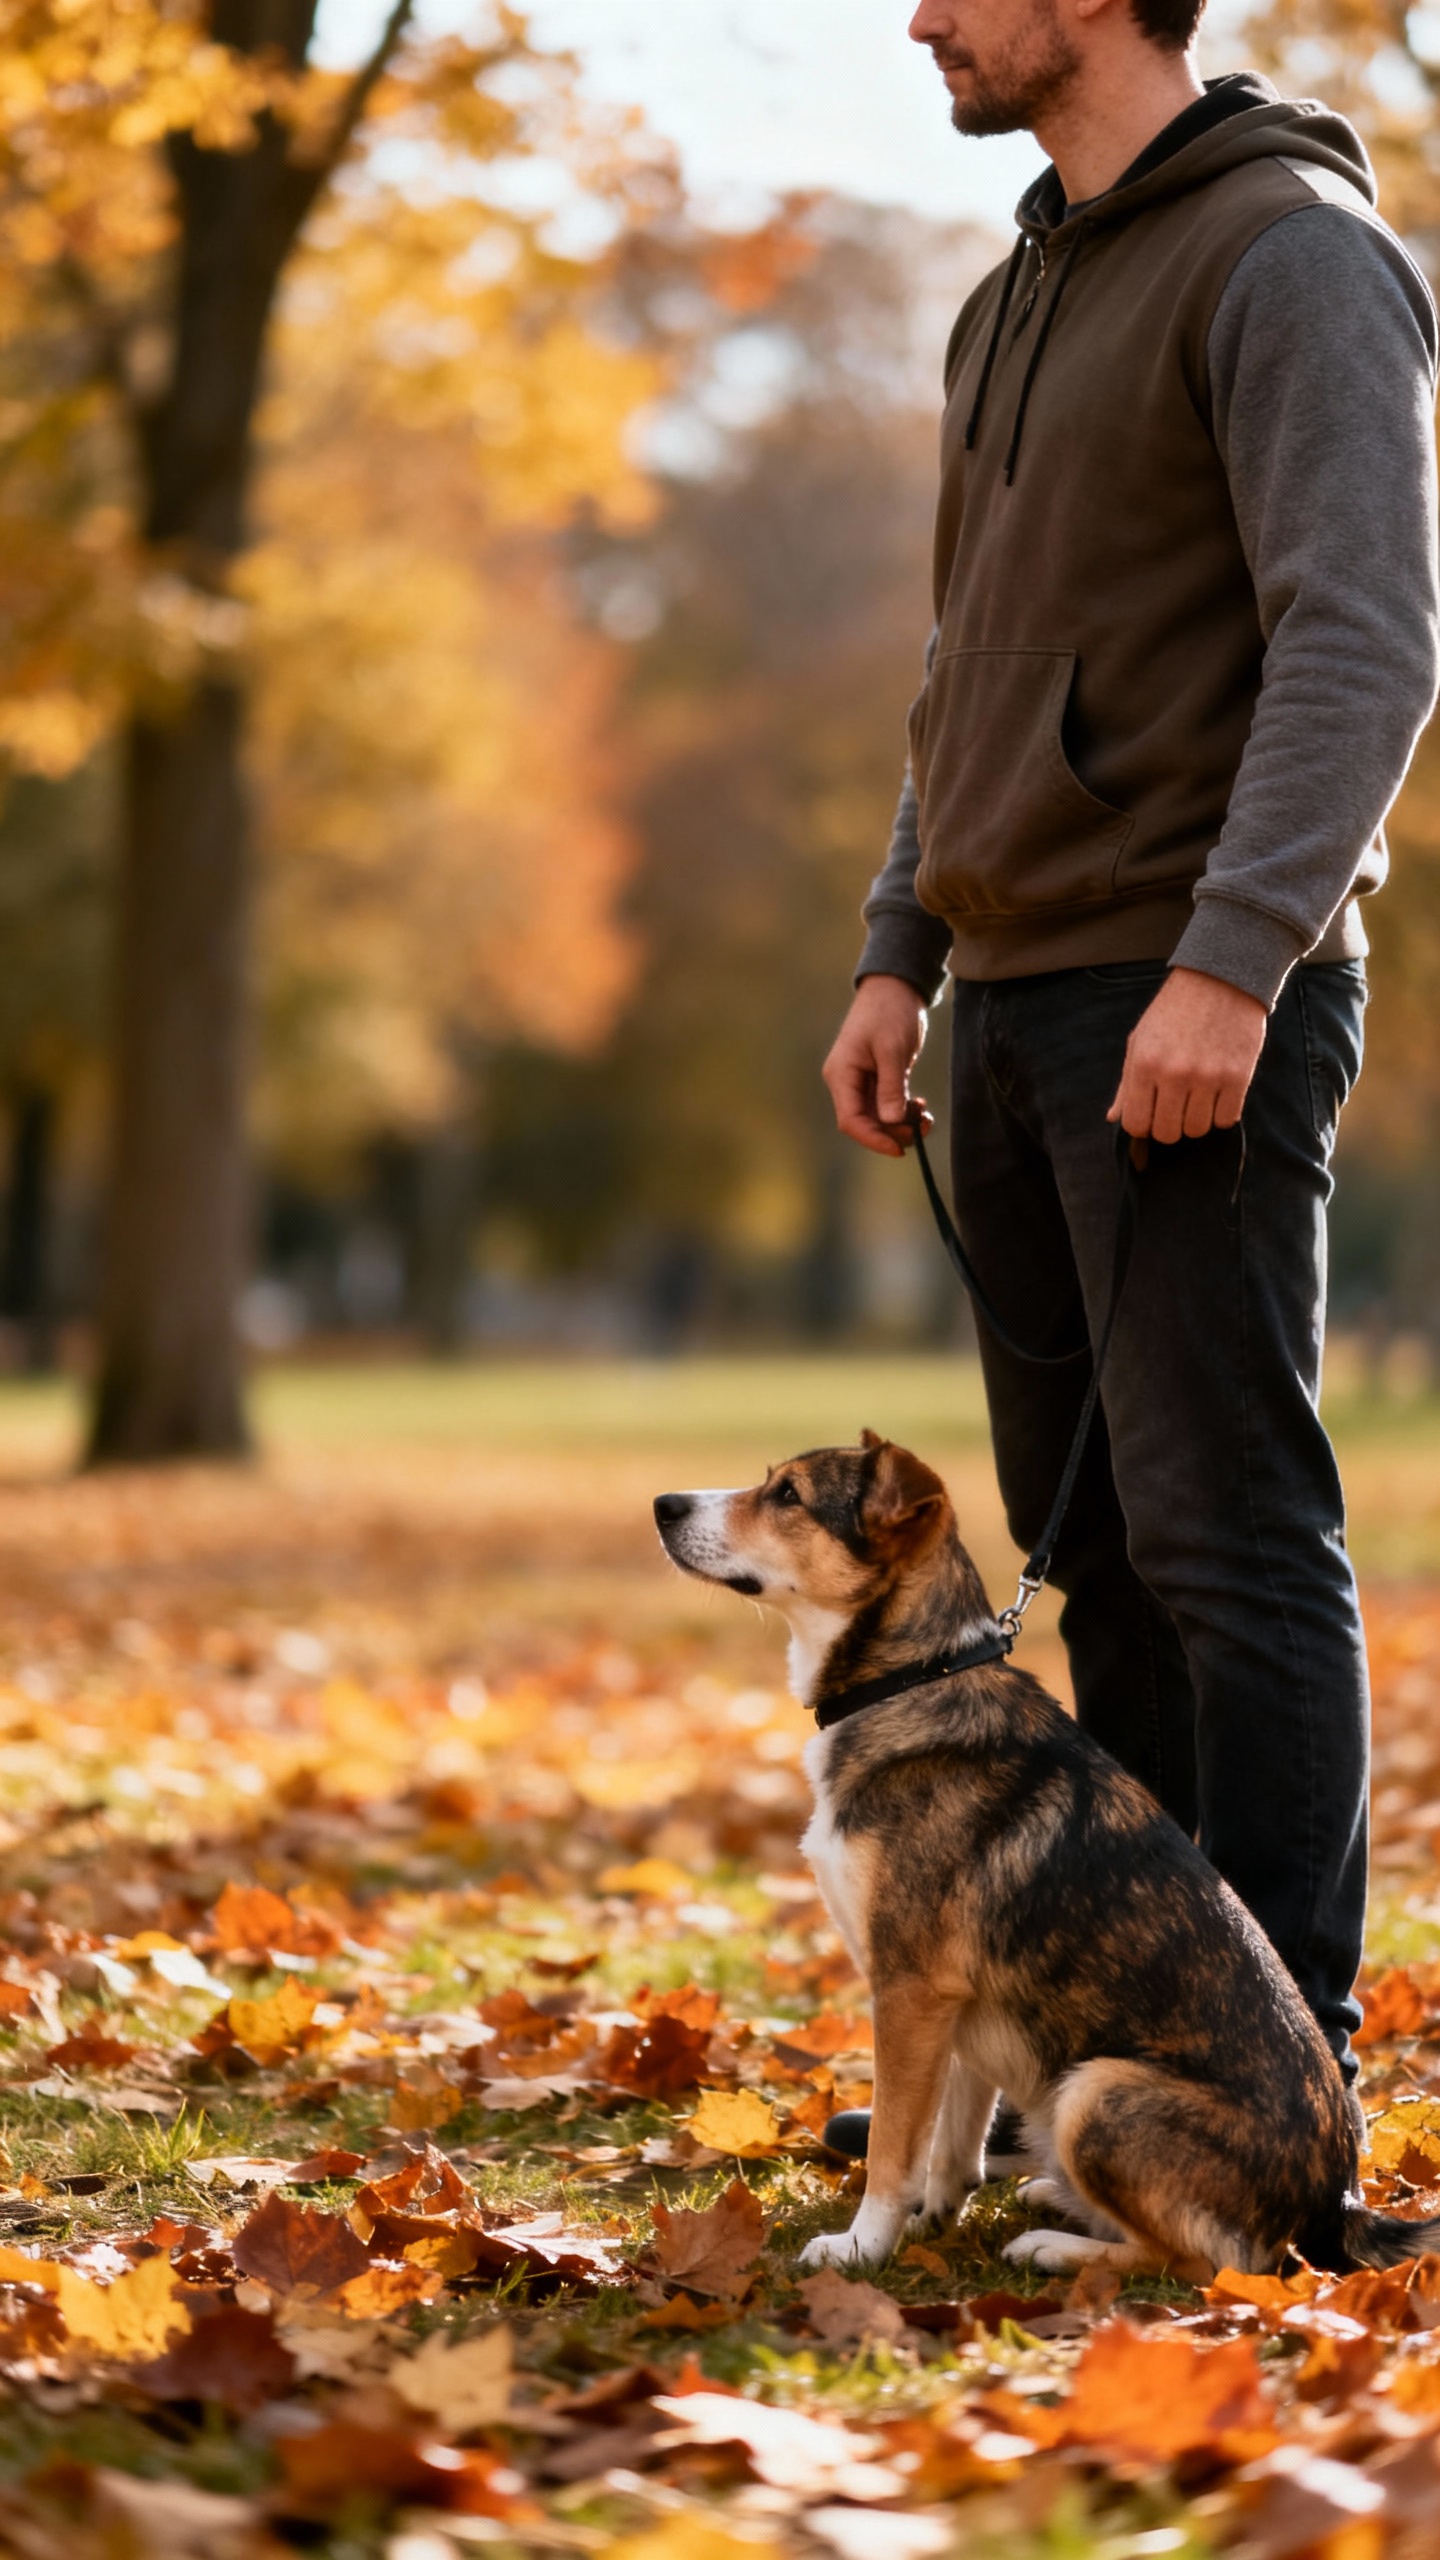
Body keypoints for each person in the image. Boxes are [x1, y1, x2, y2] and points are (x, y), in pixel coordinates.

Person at [821, 0, 1440, 2127]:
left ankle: (1284, 2080)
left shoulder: (1293, 256)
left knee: (1228, 1534)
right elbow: (954, 670)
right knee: (1104, 1557)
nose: (918, 17)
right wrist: (905, 944)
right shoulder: (1009, 298)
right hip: (1005, 996)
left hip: (1185, 996)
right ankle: (1141, 2030)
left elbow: (1366, 633)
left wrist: (1237, 958)